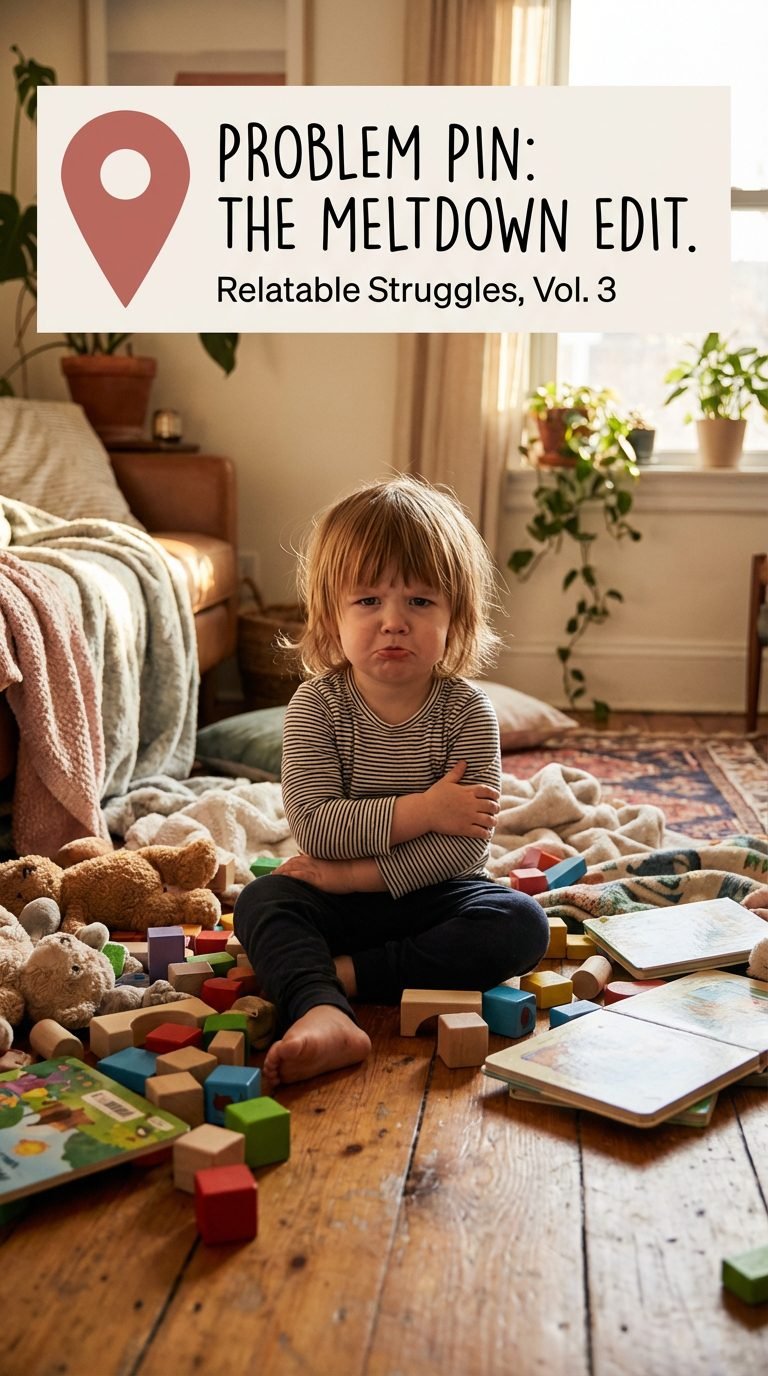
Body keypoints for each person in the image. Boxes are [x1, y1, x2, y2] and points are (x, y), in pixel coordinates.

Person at [234, 475, 549, 1089]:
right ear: (332, 615)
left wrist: (356, 871)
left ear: (457, 616)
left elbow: (465, 846)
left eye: (420, 602)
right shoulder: (316, 707)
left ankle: (343, 978)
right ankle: (322, 1013)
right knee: (263, 900)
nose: (394, 622)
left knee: (521, 922)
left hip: (437, 897)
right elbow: (317, 826)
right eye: (369, 601)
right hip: (333, 901)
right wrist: (425, 810)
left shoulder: (467, 711)